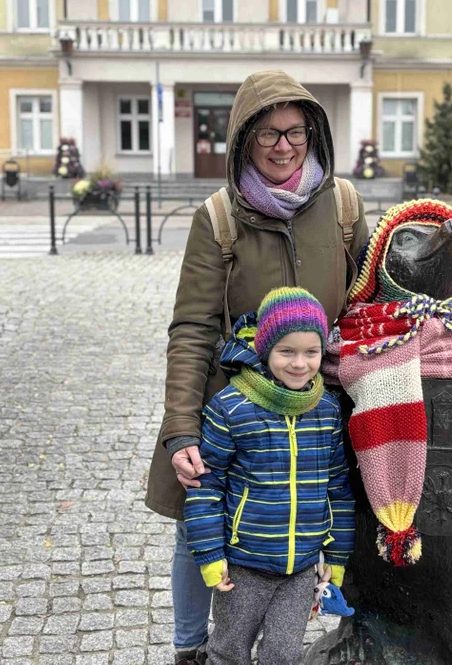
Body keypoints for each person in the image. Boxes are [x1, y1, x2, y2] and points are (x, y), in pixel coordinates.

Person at [143, 70, 368, 665]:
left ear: (313, 132)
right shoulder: (219, 217)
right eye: (266, 133)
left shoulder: (342, 206)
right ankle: (192, 648)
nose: (283, 145)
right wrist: (181, 430)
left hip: (315, 403)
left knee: (316, 517)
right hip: (233, 408)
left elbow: (368, 302)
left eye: (295, 131)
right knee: (199, 527)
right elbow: (191, 327)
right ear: (243, 138)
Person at [184, 287, 355, 665]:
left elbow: (339, 490)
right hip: (243, 564)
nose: (300, 363)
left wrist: (337, 556)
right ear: (265, 350)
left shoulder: (326, 409)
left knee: (283, 655)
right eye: (286, 351)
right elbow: (206, 487)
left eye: (311, 352)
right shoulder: (230, 407)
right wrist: (211, 555)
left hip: (301, 567)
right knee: (228, 651)